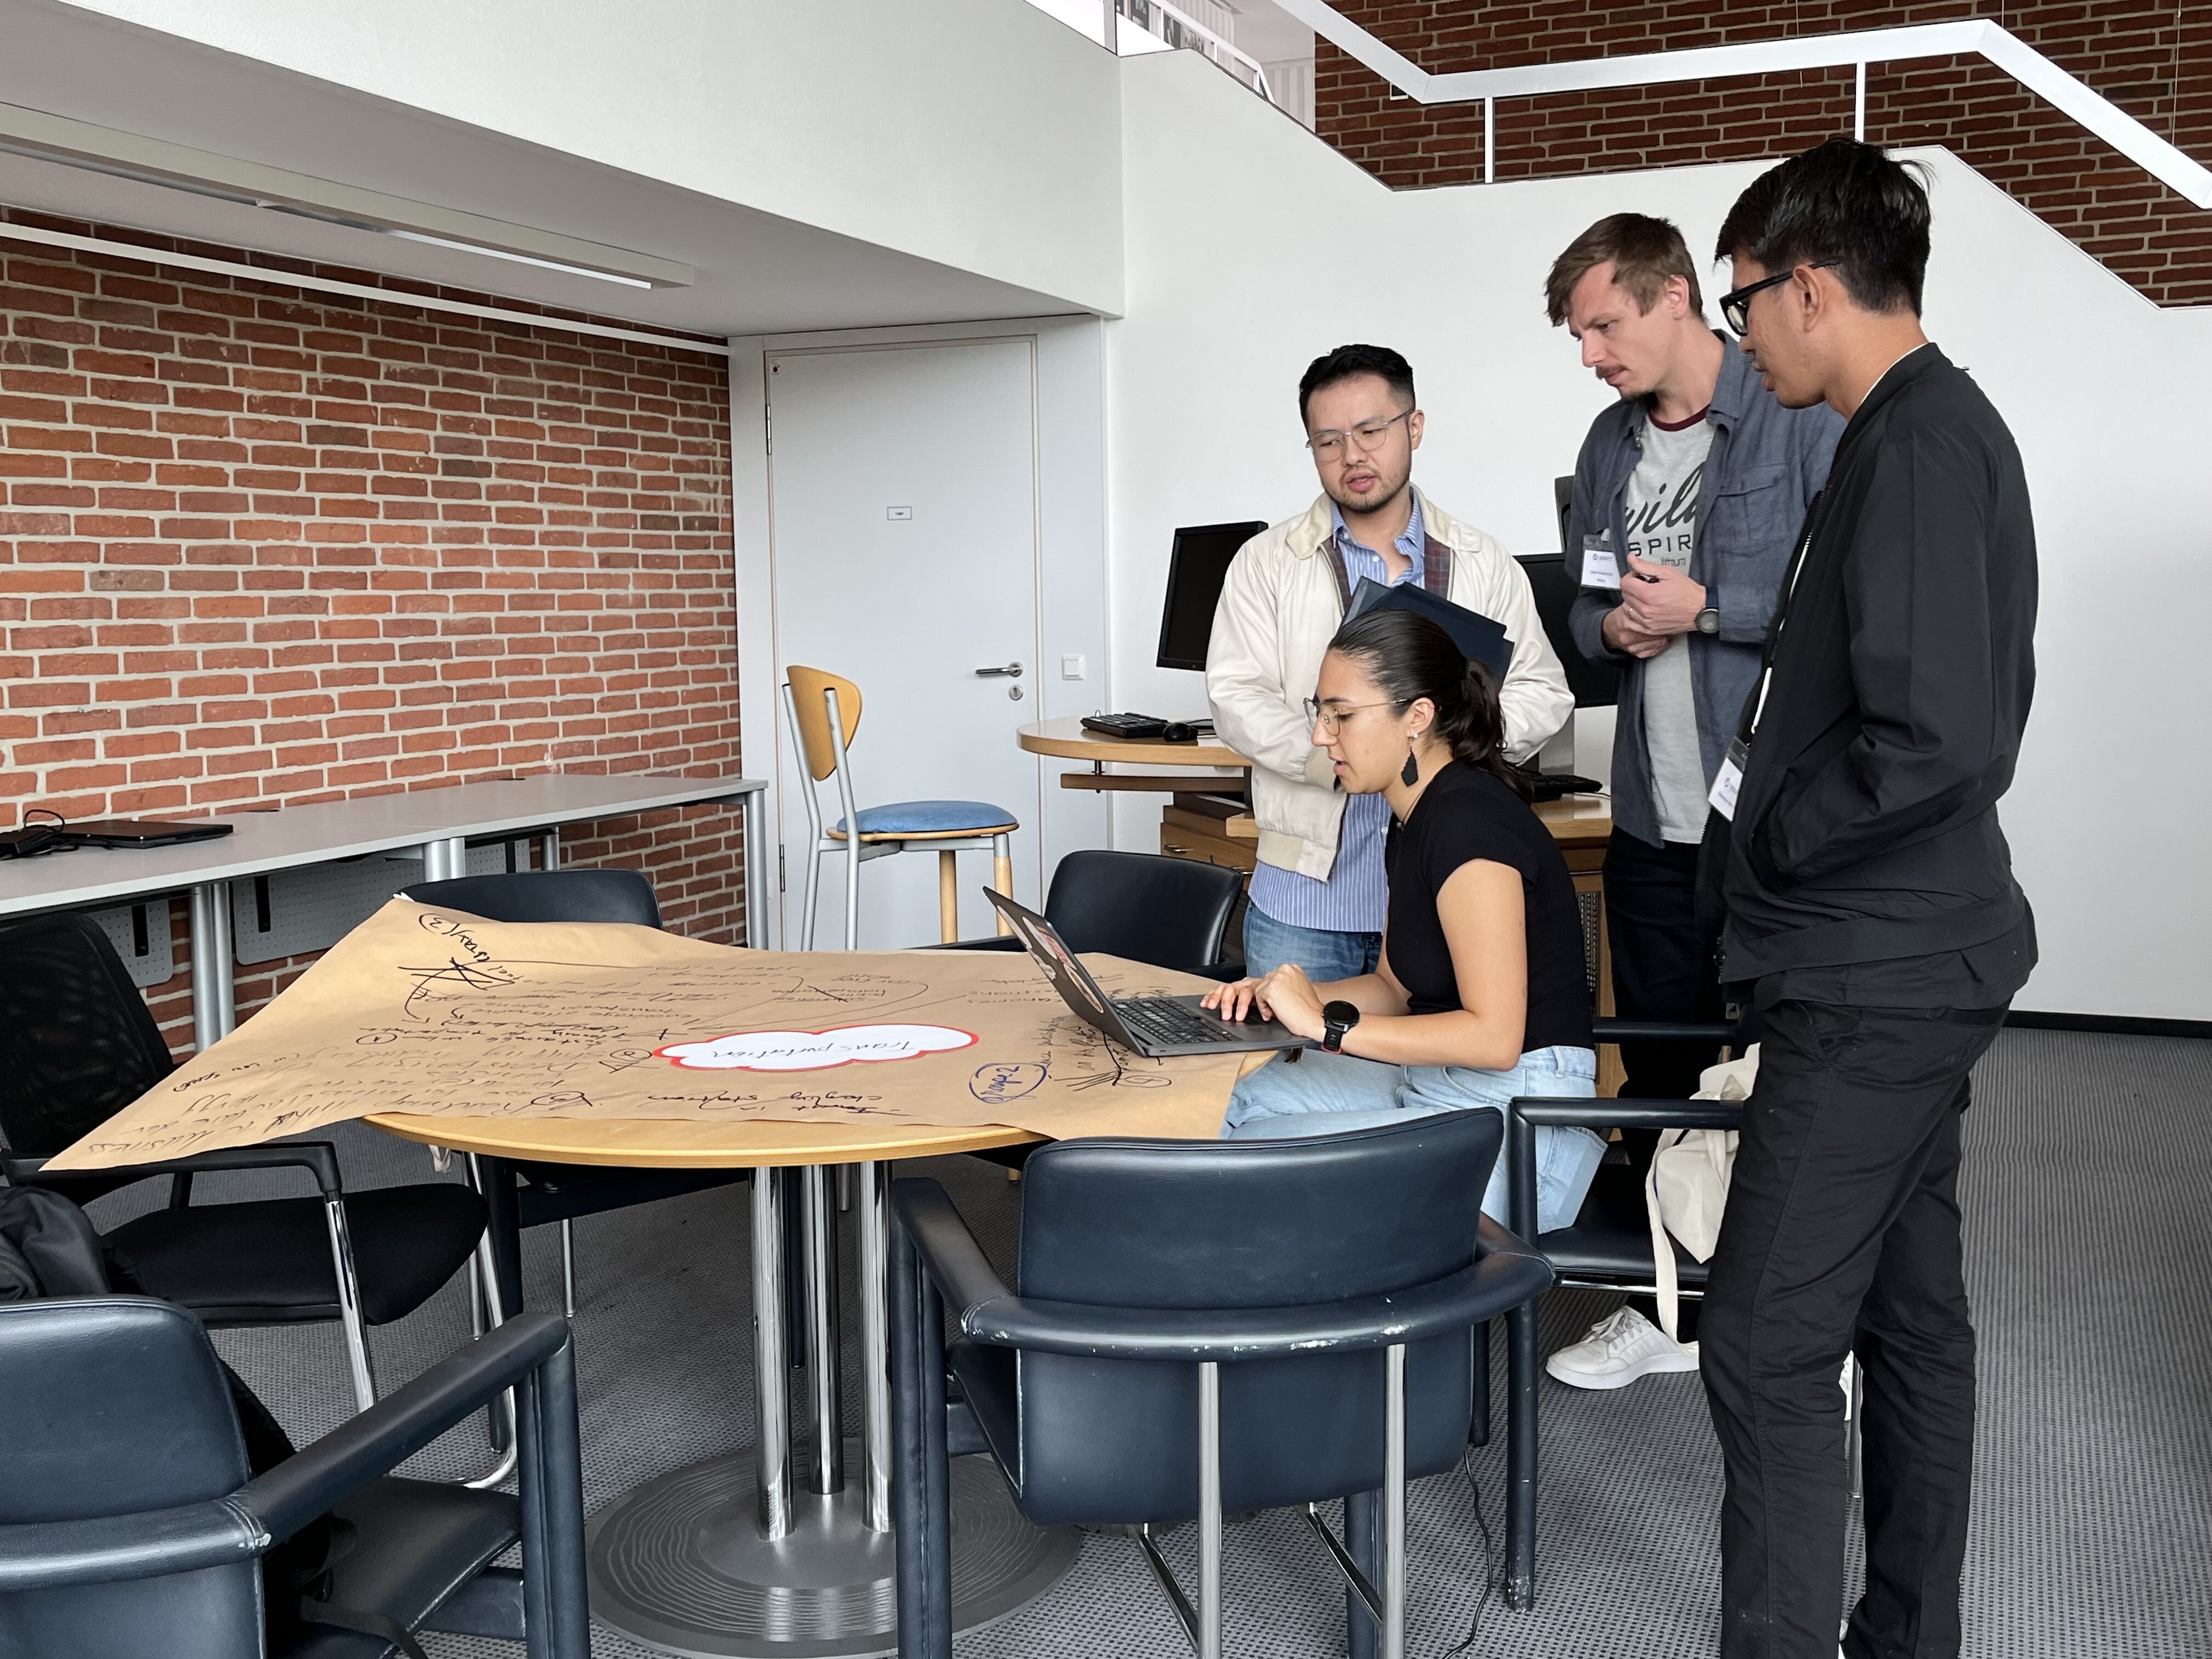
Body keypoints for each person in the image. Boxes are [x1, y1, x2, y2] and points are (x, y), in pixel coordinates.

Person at [1700, 138, 2038, 1659]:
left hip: (1873, 976)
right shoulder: (1915, 431)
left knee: (1765, 1344)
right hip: (1908, 956)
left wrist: (1770, 851)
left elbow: (1934, 742)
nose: (1738, 331)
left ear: (1812, 287)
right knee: (1911, 1325)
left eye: (1744, 300)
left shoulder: (1916, 444)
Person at [1542, 216, 1842, 1390]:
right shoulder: (1608, 448)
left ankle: (1770, 1309)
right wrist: (1608, 628)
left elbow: (1836, 603)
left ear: (1677, 298)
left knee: (1771, 1069)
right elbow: (1582, 609)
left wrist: (1706, 610)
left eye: (1605, 325)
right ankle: (1667, 1309)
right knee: (1663, 1069)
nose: (1590, 354)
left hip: (1763, 825)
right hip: (1648, 823)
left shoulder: (1795, 416)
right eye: (1578, 334)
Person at [1203, 608, 1600, 1233]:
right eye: (1319, 713)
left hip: (1518, 1124)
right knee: (1227, 1105)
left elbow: (1495, 1039)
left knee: (1258, 1167)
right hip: (1440, 1086)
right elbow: (1394, 987)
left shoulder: (1469, 825)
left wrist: (1325, 1028)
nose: (1319, 736)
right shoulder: (1410, 816)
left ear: (1417, 716)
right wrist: (1290, 997)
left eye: (1342, 715)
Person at [1207, 344, 1571, 984]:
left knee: (1438, 1073)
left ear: (1414, 427)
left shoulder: (1482, 561)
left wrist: (1449, 753)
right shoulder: (1266, 563)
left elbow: (1543, 690)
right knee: (1298, 1078)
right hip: (1307, 902)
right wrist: (1340, 753)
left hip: (1445, 893)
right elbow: (1237, 698)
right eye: (1328, 441)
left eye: (1372, 431)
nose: (1353, 456)